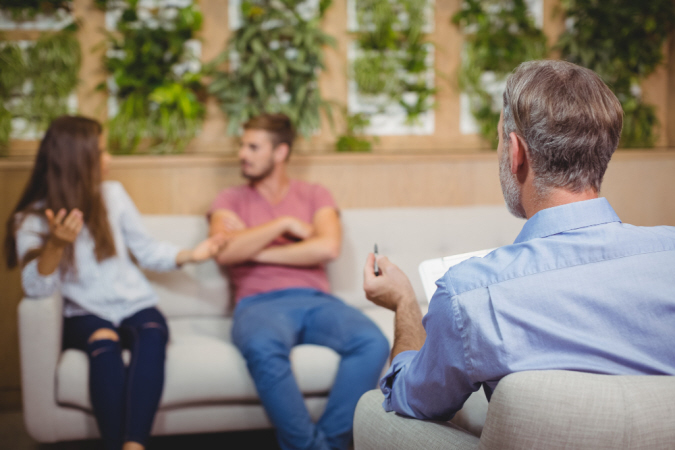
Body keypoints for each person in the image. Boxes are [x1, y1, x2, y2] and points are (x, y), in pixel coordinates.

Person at [362, 60, 675, 421]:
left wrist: (404, 303)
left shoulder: (469, 297)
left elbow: (410, 400)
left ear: (516, 152)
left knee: (371, 410)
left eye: (499, 140)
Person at [4, 116, 225, 450]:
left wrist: (193, 254)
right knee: (103, 343)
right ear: (75, 159)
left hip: (133, 301)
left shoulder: (113, 195)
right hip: (84, 312)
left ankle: (133, 445)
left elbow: (146, 250)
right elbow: (37, 289)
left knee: (152, 332)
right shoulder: (32, 219)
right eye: (100, 152)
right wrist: (56, 246)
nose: (108, 159)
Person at [208, 113, 389, 450]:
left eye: (253, 147)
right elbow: (224, 252)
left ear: (280, 152)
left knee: (372, 341)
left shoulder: (315, 194)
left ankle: (327, 444)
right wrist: (284, 225)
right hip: (258, 304)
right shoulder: (229, 199)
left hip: (316, 300)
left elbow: (327, 247)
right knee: (262, 347)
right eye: (242, 146)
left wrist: (252, 247)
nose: (242, 154)